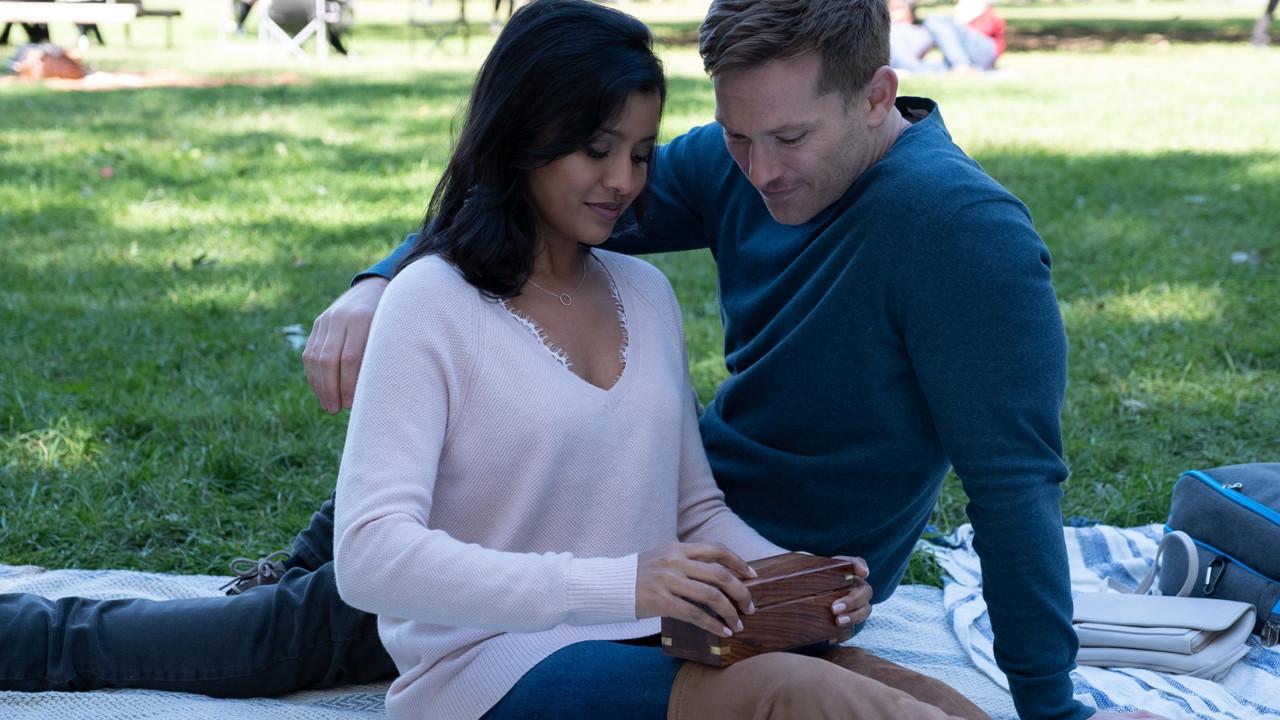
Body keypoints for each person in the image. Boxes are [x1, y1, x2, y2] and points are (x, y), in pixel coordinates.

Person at [0, 1, 1163, 719]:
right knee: (293, 619)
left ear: (877, 95)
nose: (757, 171)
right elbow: (528, 205)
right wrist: (381, 278)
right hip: (578, 536)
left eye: (787, 138)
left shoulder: (961, 238)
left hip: (702, 561)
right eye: (732, 136)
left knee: (897, 697)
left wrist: (1046, 705)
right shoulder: (734, 166)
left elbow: (1014, 490)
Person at [333, 4, 987, 717]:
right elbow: (370, 556)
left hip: (659, 638)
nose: (623, 180)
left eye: (641, 154)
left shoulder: (645, 294)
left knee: (891, 685)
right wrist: (624, 585)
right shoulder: (431, 301)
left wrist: (800, 578)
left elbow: (694, 512)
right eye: (597, 149)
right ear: (522, 137)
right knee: (795, 692)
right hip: (488, 666)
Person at [920, 0, 1006, 72]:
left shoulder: (985, 10)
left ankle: (961, 65)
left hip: (986, 51)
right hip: (972, 56)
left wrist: (964, 20)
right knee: (930, 67)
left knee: (935, 20)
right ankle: (962, 66)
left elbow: (989, 29)